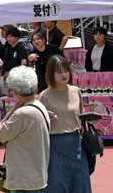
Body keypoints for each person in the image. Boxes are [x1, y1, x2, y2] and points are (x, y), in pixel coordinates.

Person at [39, 55, 91, 193]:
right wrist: (48, 121)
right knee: (57, 185)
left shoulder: (76, 91)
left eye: (66, 70)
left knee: (80, 184)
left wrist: (91, 118)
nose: (64, 75)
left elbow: (81, 115)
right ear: (51, 73)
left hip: (76, 143)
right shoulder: (44, 95)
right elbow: (38, 124)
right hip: (55, 145)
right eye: (59, 72)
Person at [0, 66, 50, 192]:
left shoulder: (21, 113)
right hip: (38, 175)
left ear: (14, 91)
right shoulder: (40, 106)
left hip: (22, 179)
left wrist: (10, 112)